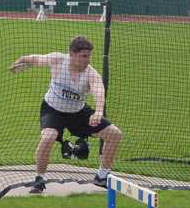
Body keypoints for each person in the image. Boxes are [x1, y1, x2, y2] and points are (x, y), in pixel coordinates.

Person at [10, 36, 122, 193]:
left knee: (115, 134)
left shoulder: (91, 74)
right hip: (53, 110)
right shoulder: (58, 60)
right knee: (48, 137)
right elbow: (36, 59)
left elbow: (99, 91)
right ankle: (39, 179)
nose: (87, 60)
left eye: (89, 56)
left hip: (78, 113)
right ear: (72, 54)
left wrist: (98, 111)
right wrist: (22, 61)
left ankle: (102, 176)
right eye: (84, 56)